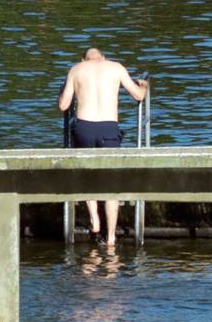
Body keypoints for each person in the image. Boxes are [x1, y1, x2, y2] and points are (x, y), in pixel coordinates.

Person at [56, 46, 150, 248]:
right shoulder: (116, 67)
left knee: (88, 175)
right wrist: (144, 86)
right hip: (109, 128)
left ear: (83, 59)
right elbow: (138, 96)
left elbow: (64, 106)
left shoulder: (76, 69)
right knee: (111, 183)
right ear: (103, 57)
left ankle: (95, 221)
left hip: (84, 128)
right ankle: (111, 238)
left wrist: (61, 92)